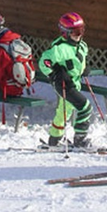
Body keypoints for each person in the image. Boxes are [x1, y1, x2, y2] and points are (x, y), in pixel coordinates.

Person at [38, 12, 93, 148]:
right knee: (85, 108)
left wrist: (83, 69)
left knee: (64, 112)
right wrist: (55, 73)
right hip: (64, 84)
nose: (79, 35)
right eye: (75, 32)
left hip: (74, 82)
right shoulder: (60, 49)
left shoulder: (82, 45)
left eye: (82, 30)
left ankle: (54, 139)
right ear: (65, 33)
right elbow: (44, 62)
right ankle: (80, 139)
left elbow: (79, 59)